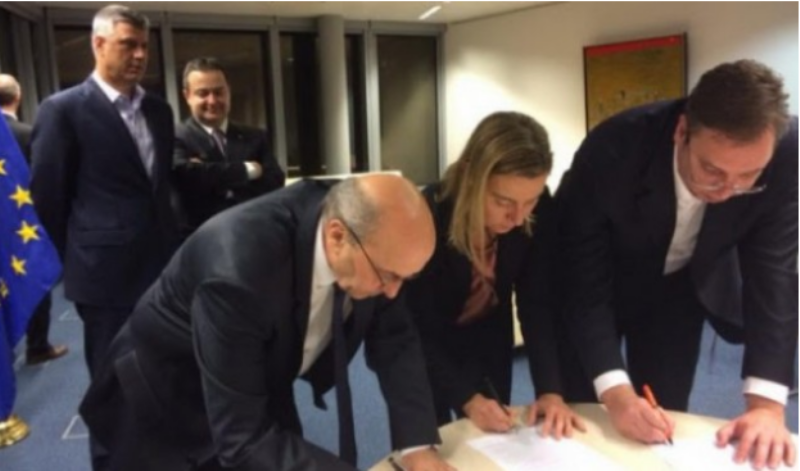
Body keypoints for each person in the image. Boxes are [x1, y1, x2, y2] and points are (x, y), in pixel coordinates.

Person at [79, 174, 455, 471]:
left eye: (407, 278)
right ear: (337, 237)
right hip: (160, 399)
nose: (393, 292)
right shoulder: (239, 269)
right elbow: (242, 439)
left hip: (259, 375)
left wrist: (417, 447)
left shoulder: (377, 248)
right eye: (389, 276)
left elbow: (396, 342)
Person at [556, 59, 797, 470]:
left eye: (748, 176)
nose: (728, 191)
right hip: (604, 281)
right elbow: (583, 280)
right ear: (682, 131)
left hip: (680, 288)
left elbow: (775, 275)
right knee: (586, 413)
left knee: (664, 411)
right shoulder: (613, 149)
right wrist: (616, 393)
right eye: (712, 170)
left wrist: (766, 407)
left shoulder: (787, 152)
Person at [404, 111, 585, 438]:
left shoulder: (537, 208)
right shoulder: (428, 216)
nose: (518, 217)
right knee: (431, 439)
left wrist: (550, 391)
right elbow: (414, 328)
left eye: (529, 202)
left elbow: (536, 302)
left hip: (488, 334)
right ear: (470, 178)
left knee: (492, 434)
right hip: (427, 343)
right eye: (503, 201)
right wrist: (466, 398)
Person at [30, 4, 176, 378]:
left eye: (144, 45)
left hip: (162, 263)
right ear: (98, 44)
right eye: (128, 44)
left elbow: (159, 186)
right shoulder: (62, 110)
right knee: (113, 380)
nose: (140, 55)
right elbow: (48, 199)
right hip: (103, 273)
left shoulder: (159, 111)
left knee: (162, 370)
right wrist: (78, 258)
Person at [173, 56, 285, 239]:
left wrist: (208, 173)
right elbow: (186, 177)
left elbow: (275, 182)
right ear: (187, 96)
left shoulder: (255, 137)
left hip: (251, 234)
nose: (212, 101)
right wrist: (247, 171)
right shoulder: (175, 137)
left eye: (219, 92)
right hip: (200, 240)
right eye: (203, 93)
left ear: (229, 91)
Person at [0, 73, 68, 365]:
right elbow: (46, 181)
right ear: (18, 97)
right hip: (25, 228)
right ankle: (37, 346)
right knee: (34, 275)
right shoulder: (28, 134)